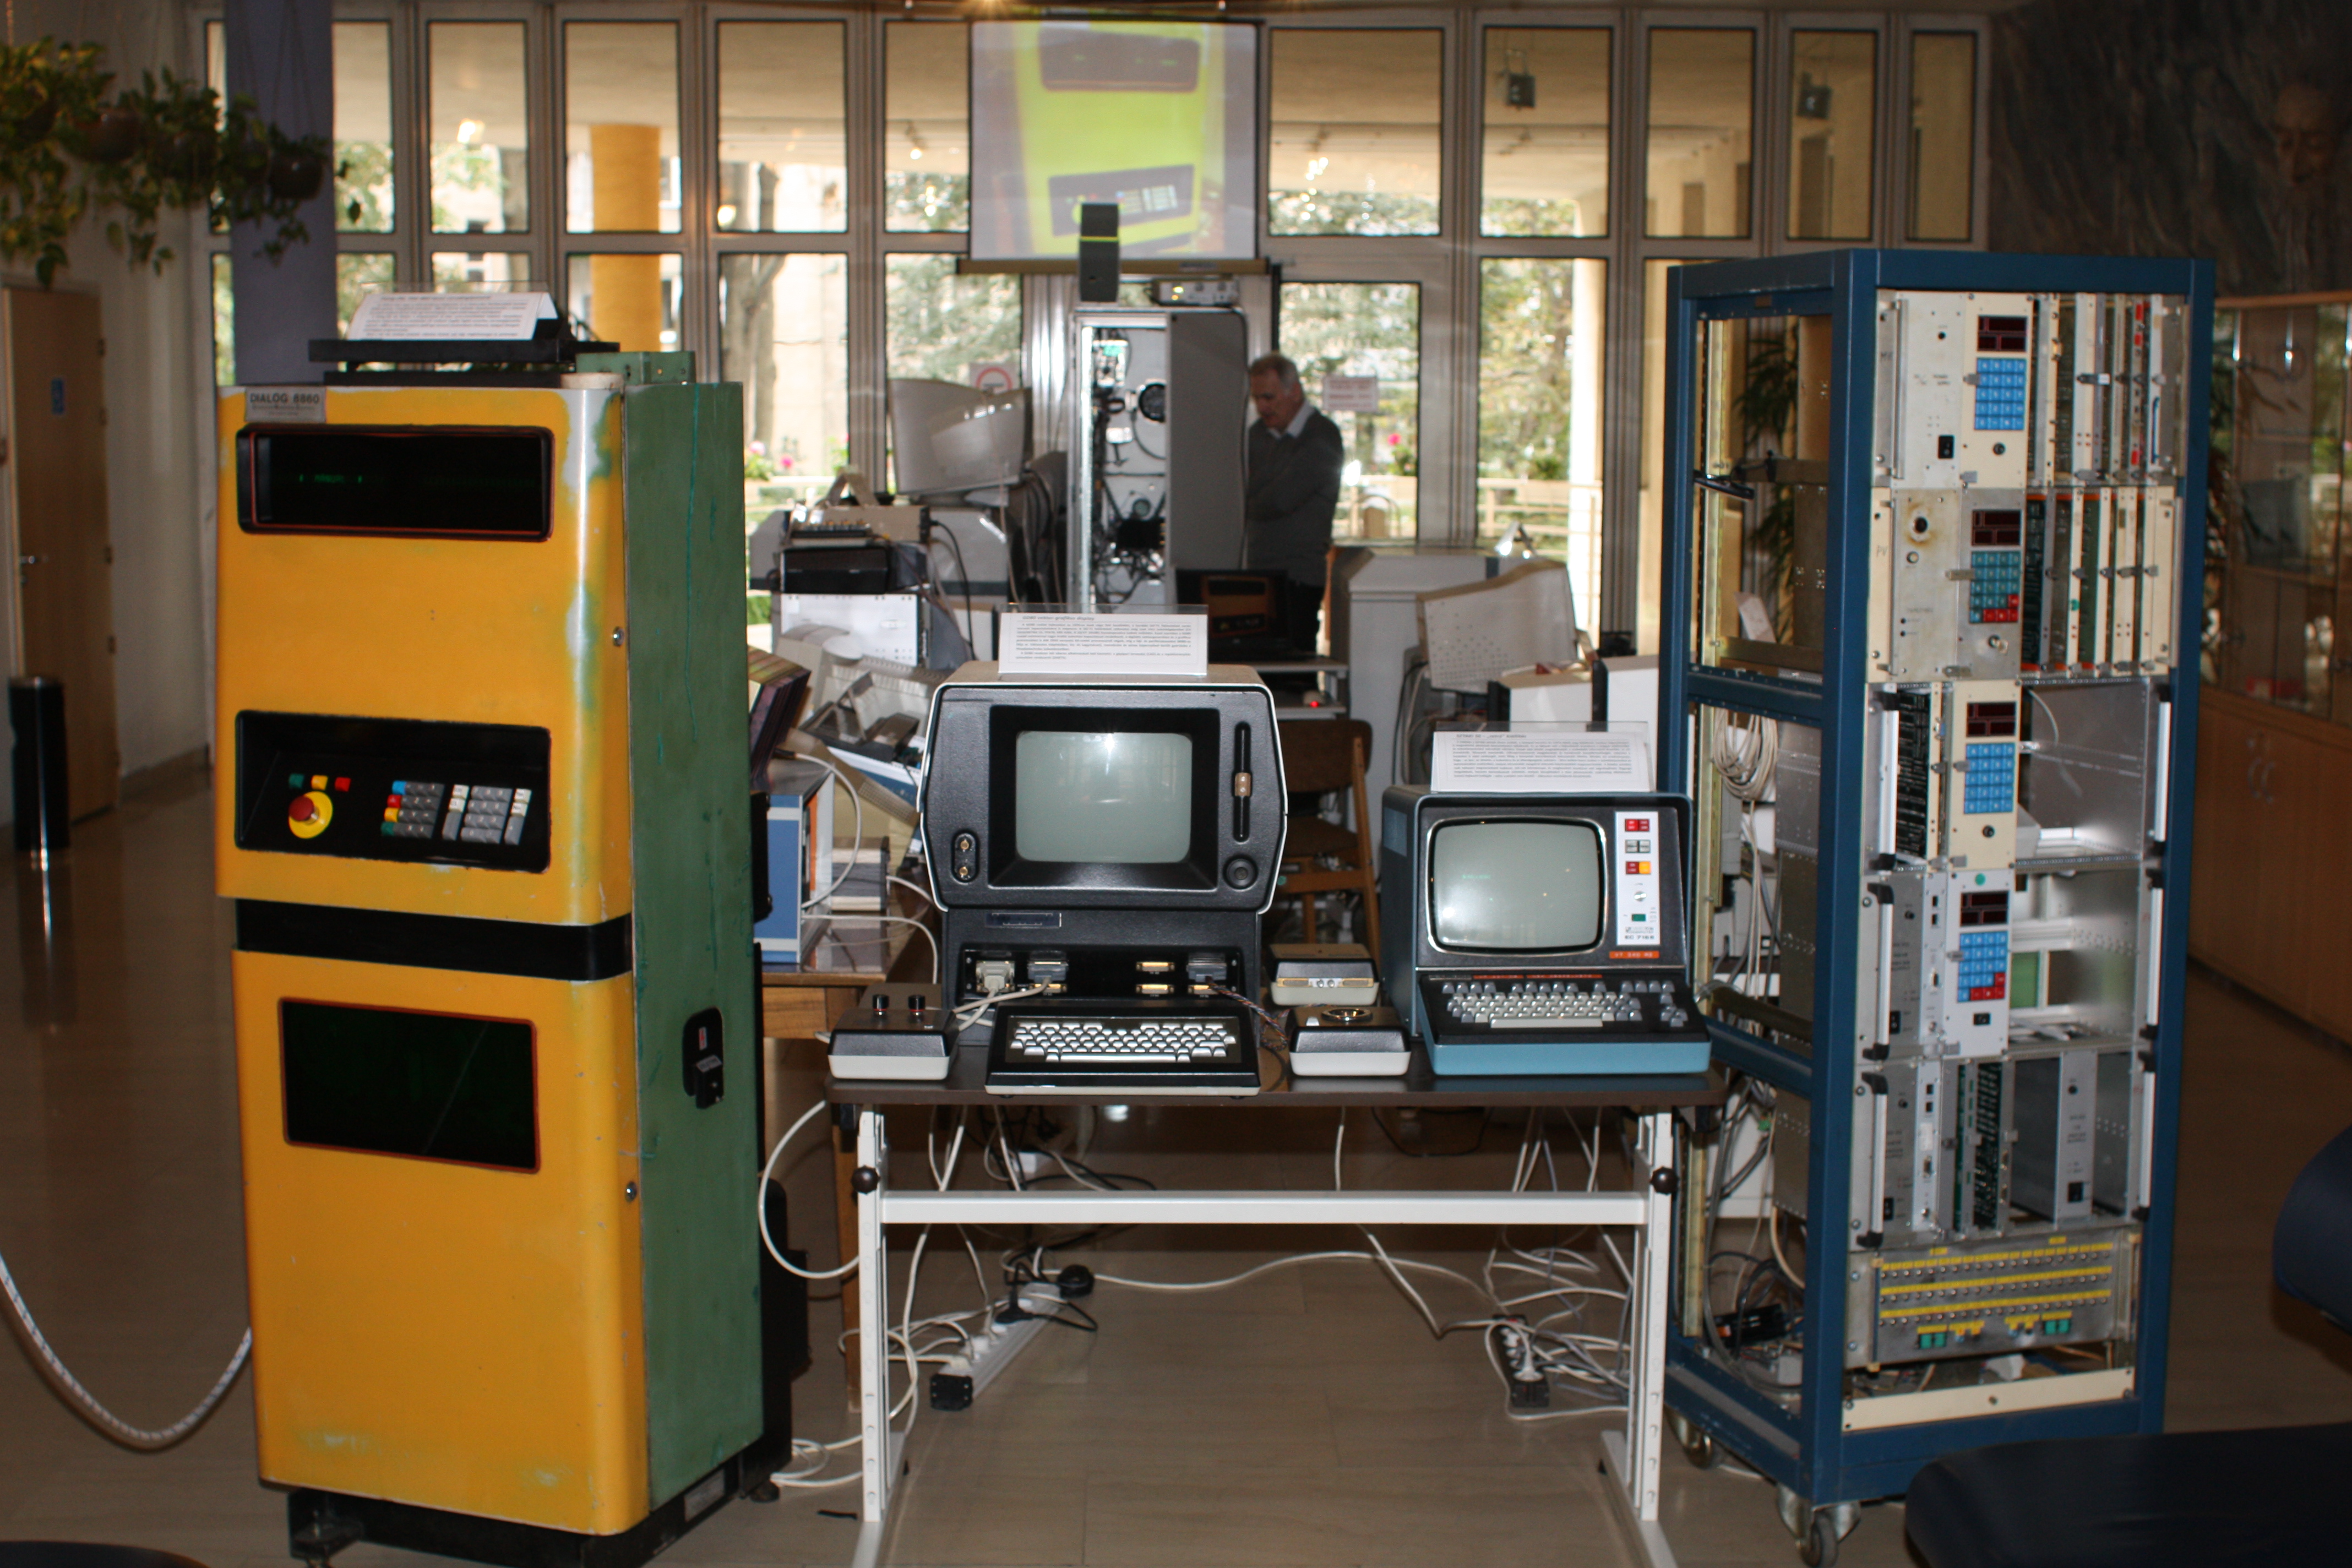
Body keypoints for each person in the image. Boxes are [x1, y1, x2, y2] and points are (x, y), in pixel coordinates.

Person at [1244, 353, 1344, 645]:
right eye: (1256, 399)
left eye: (1269, 397)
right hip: (1256, 574)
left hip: (1298, 577)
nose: (1262, 407)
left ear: (1295, 392)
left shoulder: (1322, 436)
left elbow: (1281, 500)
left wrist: (1245, 501)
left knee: (1292, 664)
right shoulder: (1257, 435)